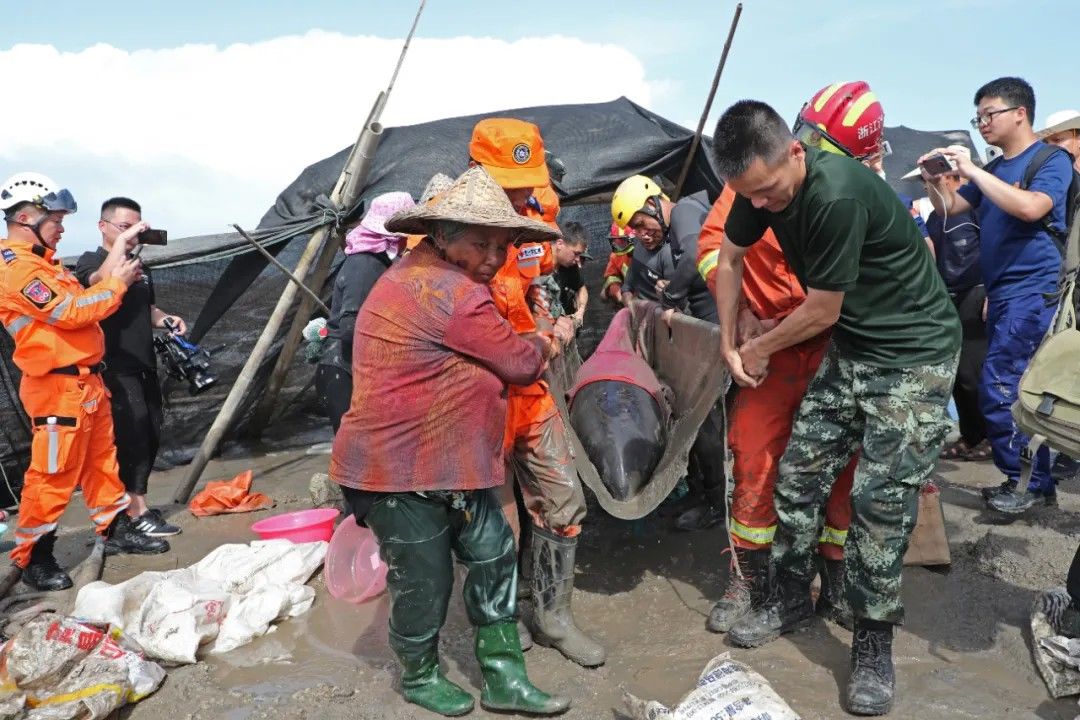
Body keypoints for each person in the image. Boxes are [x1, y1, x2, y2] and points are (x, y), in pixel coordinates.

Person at [711, 101, 960, 715]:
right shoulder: (758, 185)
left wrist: (760, 347)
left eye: (768, 192)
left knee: (880, 499)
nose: (761, 205)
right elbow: (730, 258)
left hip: (912, 351)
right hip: (855, 344)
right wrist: (726, 339)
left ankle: (872, 641)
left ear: (796, 151)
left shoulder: (837, 195)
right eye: (750, 196)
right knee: (797, 475)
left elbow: (820, 309)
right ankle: (791, 597)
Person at [328, 166, 569, 717]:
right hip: (398, 470)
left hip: (449, 464)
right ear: (441, 235)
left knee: (492, 553)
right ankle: (418, 675)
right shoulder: (452, 291)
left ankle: (505, 677)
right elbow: (519, 362)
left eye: (502, 245)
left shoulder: (421, 274)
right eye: (479, 242)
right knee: (424, 580)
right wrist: (548, 339)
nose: (491, 256)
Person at [469, 118, 604, 667]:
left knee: (565, 499)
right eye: (508, 179)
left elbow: (538, 283)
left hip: (530, 381)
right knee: (496, 520)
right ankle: (500, 619)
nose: (520, 189)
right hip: (479, 391)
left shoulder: (537, 209)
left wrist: (551, 323)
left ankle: (552, 617)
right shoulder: (450, 225)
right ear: (478, 172)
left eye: (526, 178)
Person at [0, 173, 169, 592]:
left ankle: (114, 530)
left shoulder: (44, 262)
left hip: (86, 383)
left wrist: (118, 251)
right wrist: (119, 285)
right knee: (52, 476)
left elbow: (80, 295)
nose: (61, 226)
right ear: (25, 217)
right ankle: (35, 557)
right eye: (55, 218)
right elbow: (74, 310)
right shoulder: (17, 268)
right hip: (56, 387)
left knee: (101, 464)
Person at [922, 77, 1073, 514]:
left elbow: (1032, 208)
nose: (983, 123)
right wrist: (937, 181)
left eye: (989, 114)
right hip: (1004, 290)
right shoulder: (992, 172)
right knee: (1008, 384)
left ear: (1019, 113)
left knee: (1002, 384)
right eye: (978, 117)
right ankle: (1031, 481)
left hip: (1034, 288)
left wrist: (969, 171)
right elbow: (952, 208)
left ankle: (1025, 483)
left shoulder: (1050, 159)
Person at [611, 175, 726, 532]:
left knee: (709, 428)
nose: (642, 234)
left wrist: (672, 295)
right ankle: (697, 491)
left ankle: (718, 504)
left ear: (653, 203)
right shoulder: (662, 242)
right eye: (636, 230)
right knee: (689, 422)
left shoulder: (685, 213)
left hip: (715, 338)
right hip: (697, 345)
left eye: (643, 224)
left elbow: (695, 257)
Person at [73, 198, 183, 538]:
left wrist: (165, 320)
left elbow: (146, 307)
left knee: (149, 432)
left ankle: (138, 504)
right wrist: (120, 246)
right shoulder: (91, 262)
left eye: (139, 227)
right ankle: (134, 513)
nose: (134, 234)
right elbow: (98, 286)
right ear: (103, 226)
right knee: (130, 436)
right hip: (112, 366)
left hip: (143, 362)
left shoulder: (140, 267)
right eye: (125, 227)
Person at [902, 149, 990, 461]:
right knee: (957, 375)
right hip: (949, 296)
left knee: (975, 373)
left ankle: (990, 438)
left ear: (955, 176)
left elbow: (991, 249)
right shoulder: (935, 218)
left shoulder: (978, 208)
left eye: (937, 179)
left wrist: (991, 291)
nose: (928, 186)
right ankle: (971, 434)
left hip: (975, 293)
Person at [316, 192, 415, 432]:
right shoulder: (366, 264)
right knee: (356, 451)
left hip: (354, 366)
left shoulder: (380, 261)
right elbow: (351, 328)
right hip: (343, 369)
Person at [550, 220, 591, 342]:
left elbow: (581, 288)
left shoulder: (569, 267)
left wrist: (580, 311)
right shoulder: (536, 266)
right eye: (576, 253)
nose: (578, 261)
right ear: (560, 244)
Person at [602, 223, 634, 302]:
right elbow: (612, 276)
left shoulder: (647, 253)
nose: (618, 247)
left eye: (622, 242)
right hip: (628, 293)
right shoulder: (615, 256)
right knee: (604, 294)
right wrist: (616, 292)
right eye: (616, 242)